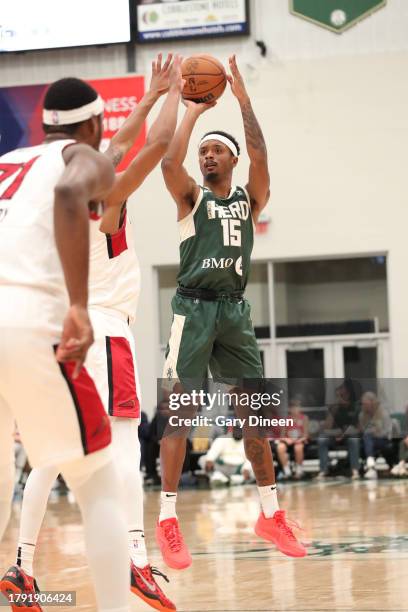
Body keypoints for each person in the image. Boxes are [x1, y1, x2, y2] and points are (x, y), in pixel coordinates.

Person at [0, 55, 184, 612]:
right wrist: (180, 99)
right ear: (92, 126)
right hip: (82, 324)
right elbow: (151, 148)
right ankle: (131, 561)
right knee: (107, 469)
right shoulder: (100, 187)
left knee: (40, 460)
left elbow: (110, 146)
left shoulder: (15, 165)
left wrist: (150, 96)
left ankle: (23, 569)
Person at [156, 54, 306, 571]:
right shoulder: (189, 197)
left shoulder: (249, 199)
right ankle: (168, 521)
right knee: (180, 416)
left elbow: (262, 154)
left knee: (256, 423)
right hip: (194, 311)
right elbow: (168, 165)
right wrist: (193, 112)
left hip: (234, 314)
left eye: (217, 151)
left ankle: (271, 514)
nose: (208, 158)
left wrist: (242, 100)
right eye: (205, 153)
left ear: (233, 160)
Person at [0, 80, 131, 612]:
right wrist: (78, 305)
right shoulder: (83, 157)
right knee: (97, 481)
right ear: (96, 124)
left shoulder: (10, 162)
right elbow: (69, 192)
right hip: (27, 318)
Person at [317, 381, 361, 480]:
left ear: (348, 394)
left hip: (350, 435)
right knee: (322, 440)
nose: (340, 397)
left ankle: (355, 470)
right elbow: (327, 427)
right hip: (334, 435)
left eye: (342, 394)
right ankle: (323, 470)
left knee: (354, 440)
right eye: (338, 395)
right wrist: (334, 408)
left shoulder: (355, 407)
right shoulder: (335, 407)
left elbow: (359, 428)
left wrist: (345, 433)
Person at [359, 391, 392, 479]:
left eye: (366, 403)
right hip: (369, 440)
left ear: (373, 402)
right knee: (367, 437)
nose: (365, 406)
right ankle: (371, 467)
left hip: (383, 439)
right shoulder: (362, 415)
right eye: (363, 404)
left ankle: (371, 467)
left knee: (368, 437)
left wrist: (377, 433)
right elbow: (363, 430)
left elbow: (388, 430)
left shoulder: (383, 413)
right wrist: (370, 431)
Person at [276, 399, 309, 480]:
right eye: (292, 408)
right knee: (280, 447)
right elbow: (282, 436)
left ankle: (299, 471)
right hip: (289, 441)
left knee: (298, 447)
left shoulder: (304, 418)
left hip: (299, 441)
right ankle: (287, 472)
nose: (294, 409)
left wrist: (298, 440)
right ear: (289, 409)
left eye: (296, 407)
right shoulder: (286, 419)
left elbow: (306, 434)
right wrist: (287, 440)